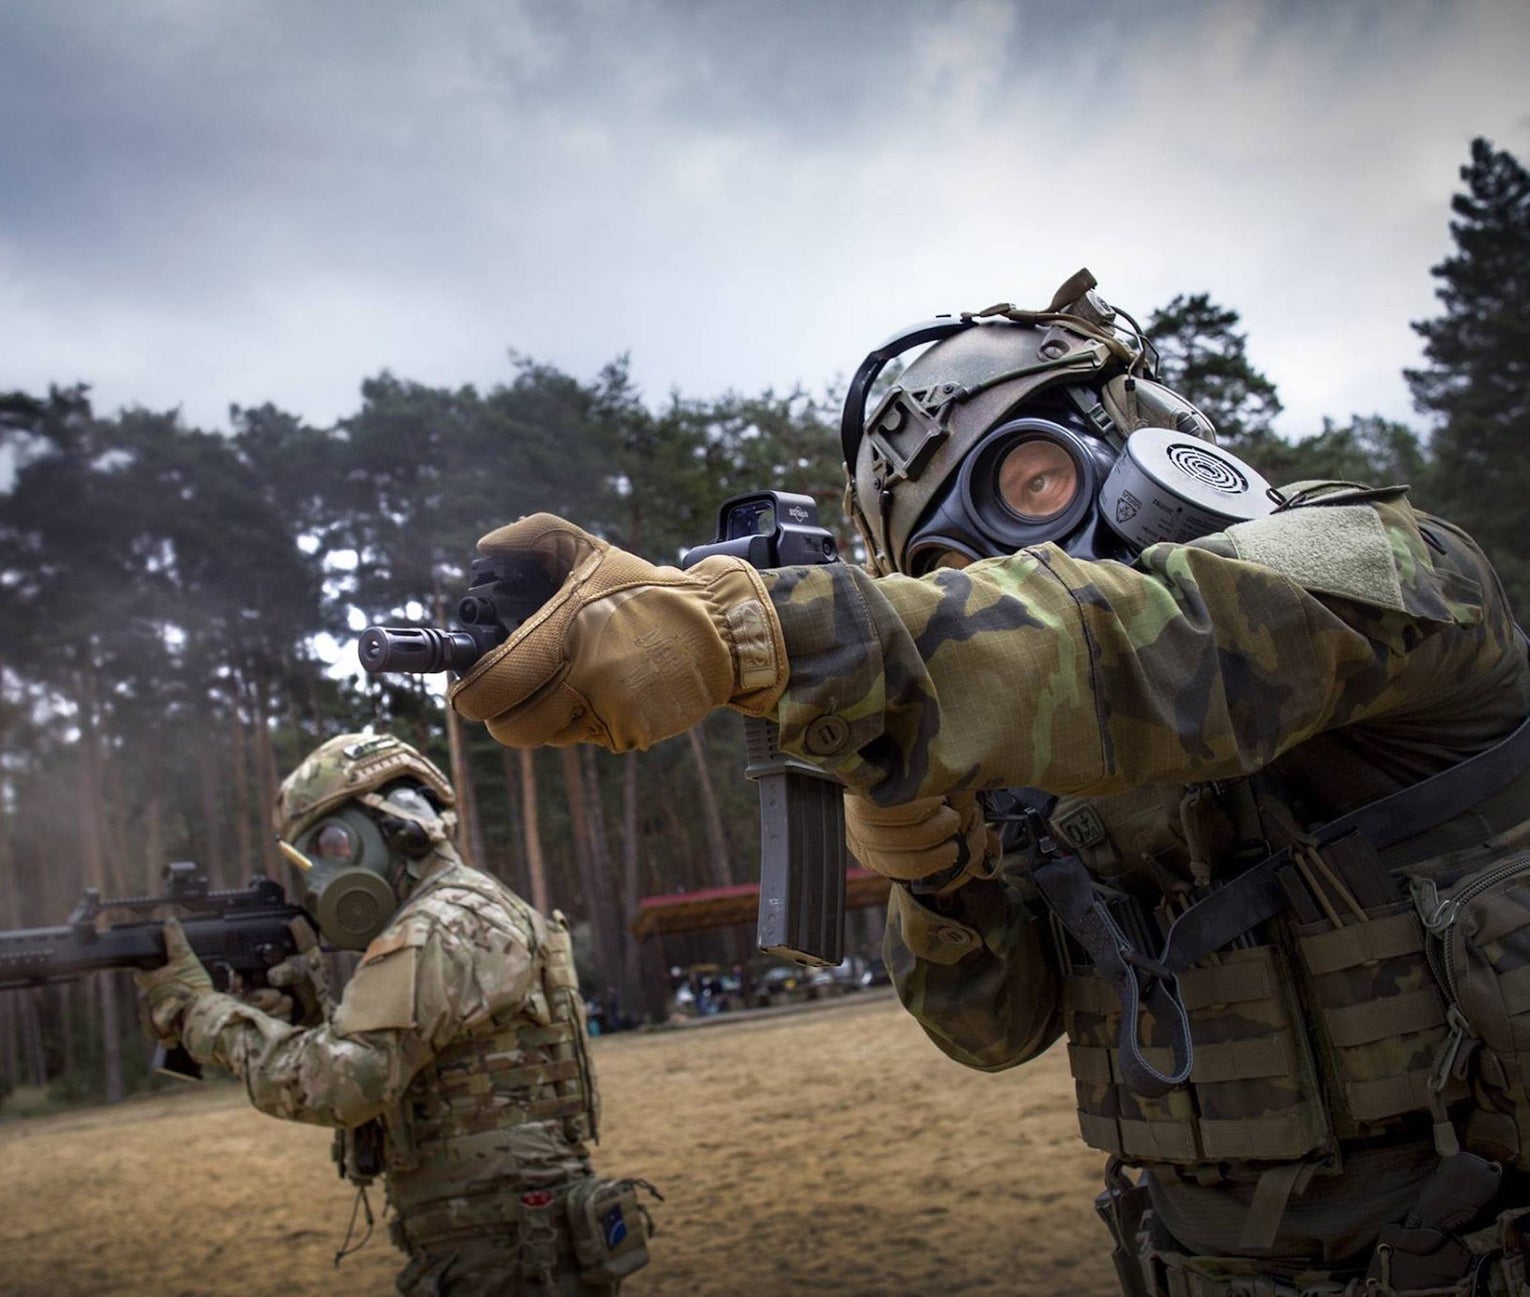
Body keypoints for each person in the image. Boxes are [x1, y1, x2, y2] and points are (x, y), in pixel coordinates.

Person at [444, 271, 1530, 1295]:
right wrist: (941, 880)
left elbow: (1153, 643)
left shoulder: (1380, 563)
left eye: (1030, 481)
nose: (1014, 561)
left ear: (1139, 435)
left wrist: (757, 630)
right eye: (943, 565)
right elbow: (991, 1029)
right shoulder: (1046, 761)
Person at [136, 731, 654, 1296]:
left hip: (504, 1242)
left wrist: (201, 1013)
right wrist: (306, 1016)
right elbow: (427, 1067)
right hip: (510, 1229)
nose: (317, 878)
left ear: (387, 829)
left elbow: (344, 1085)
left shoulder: (435, 926)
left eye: (329, 845)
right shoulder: (468, 906)